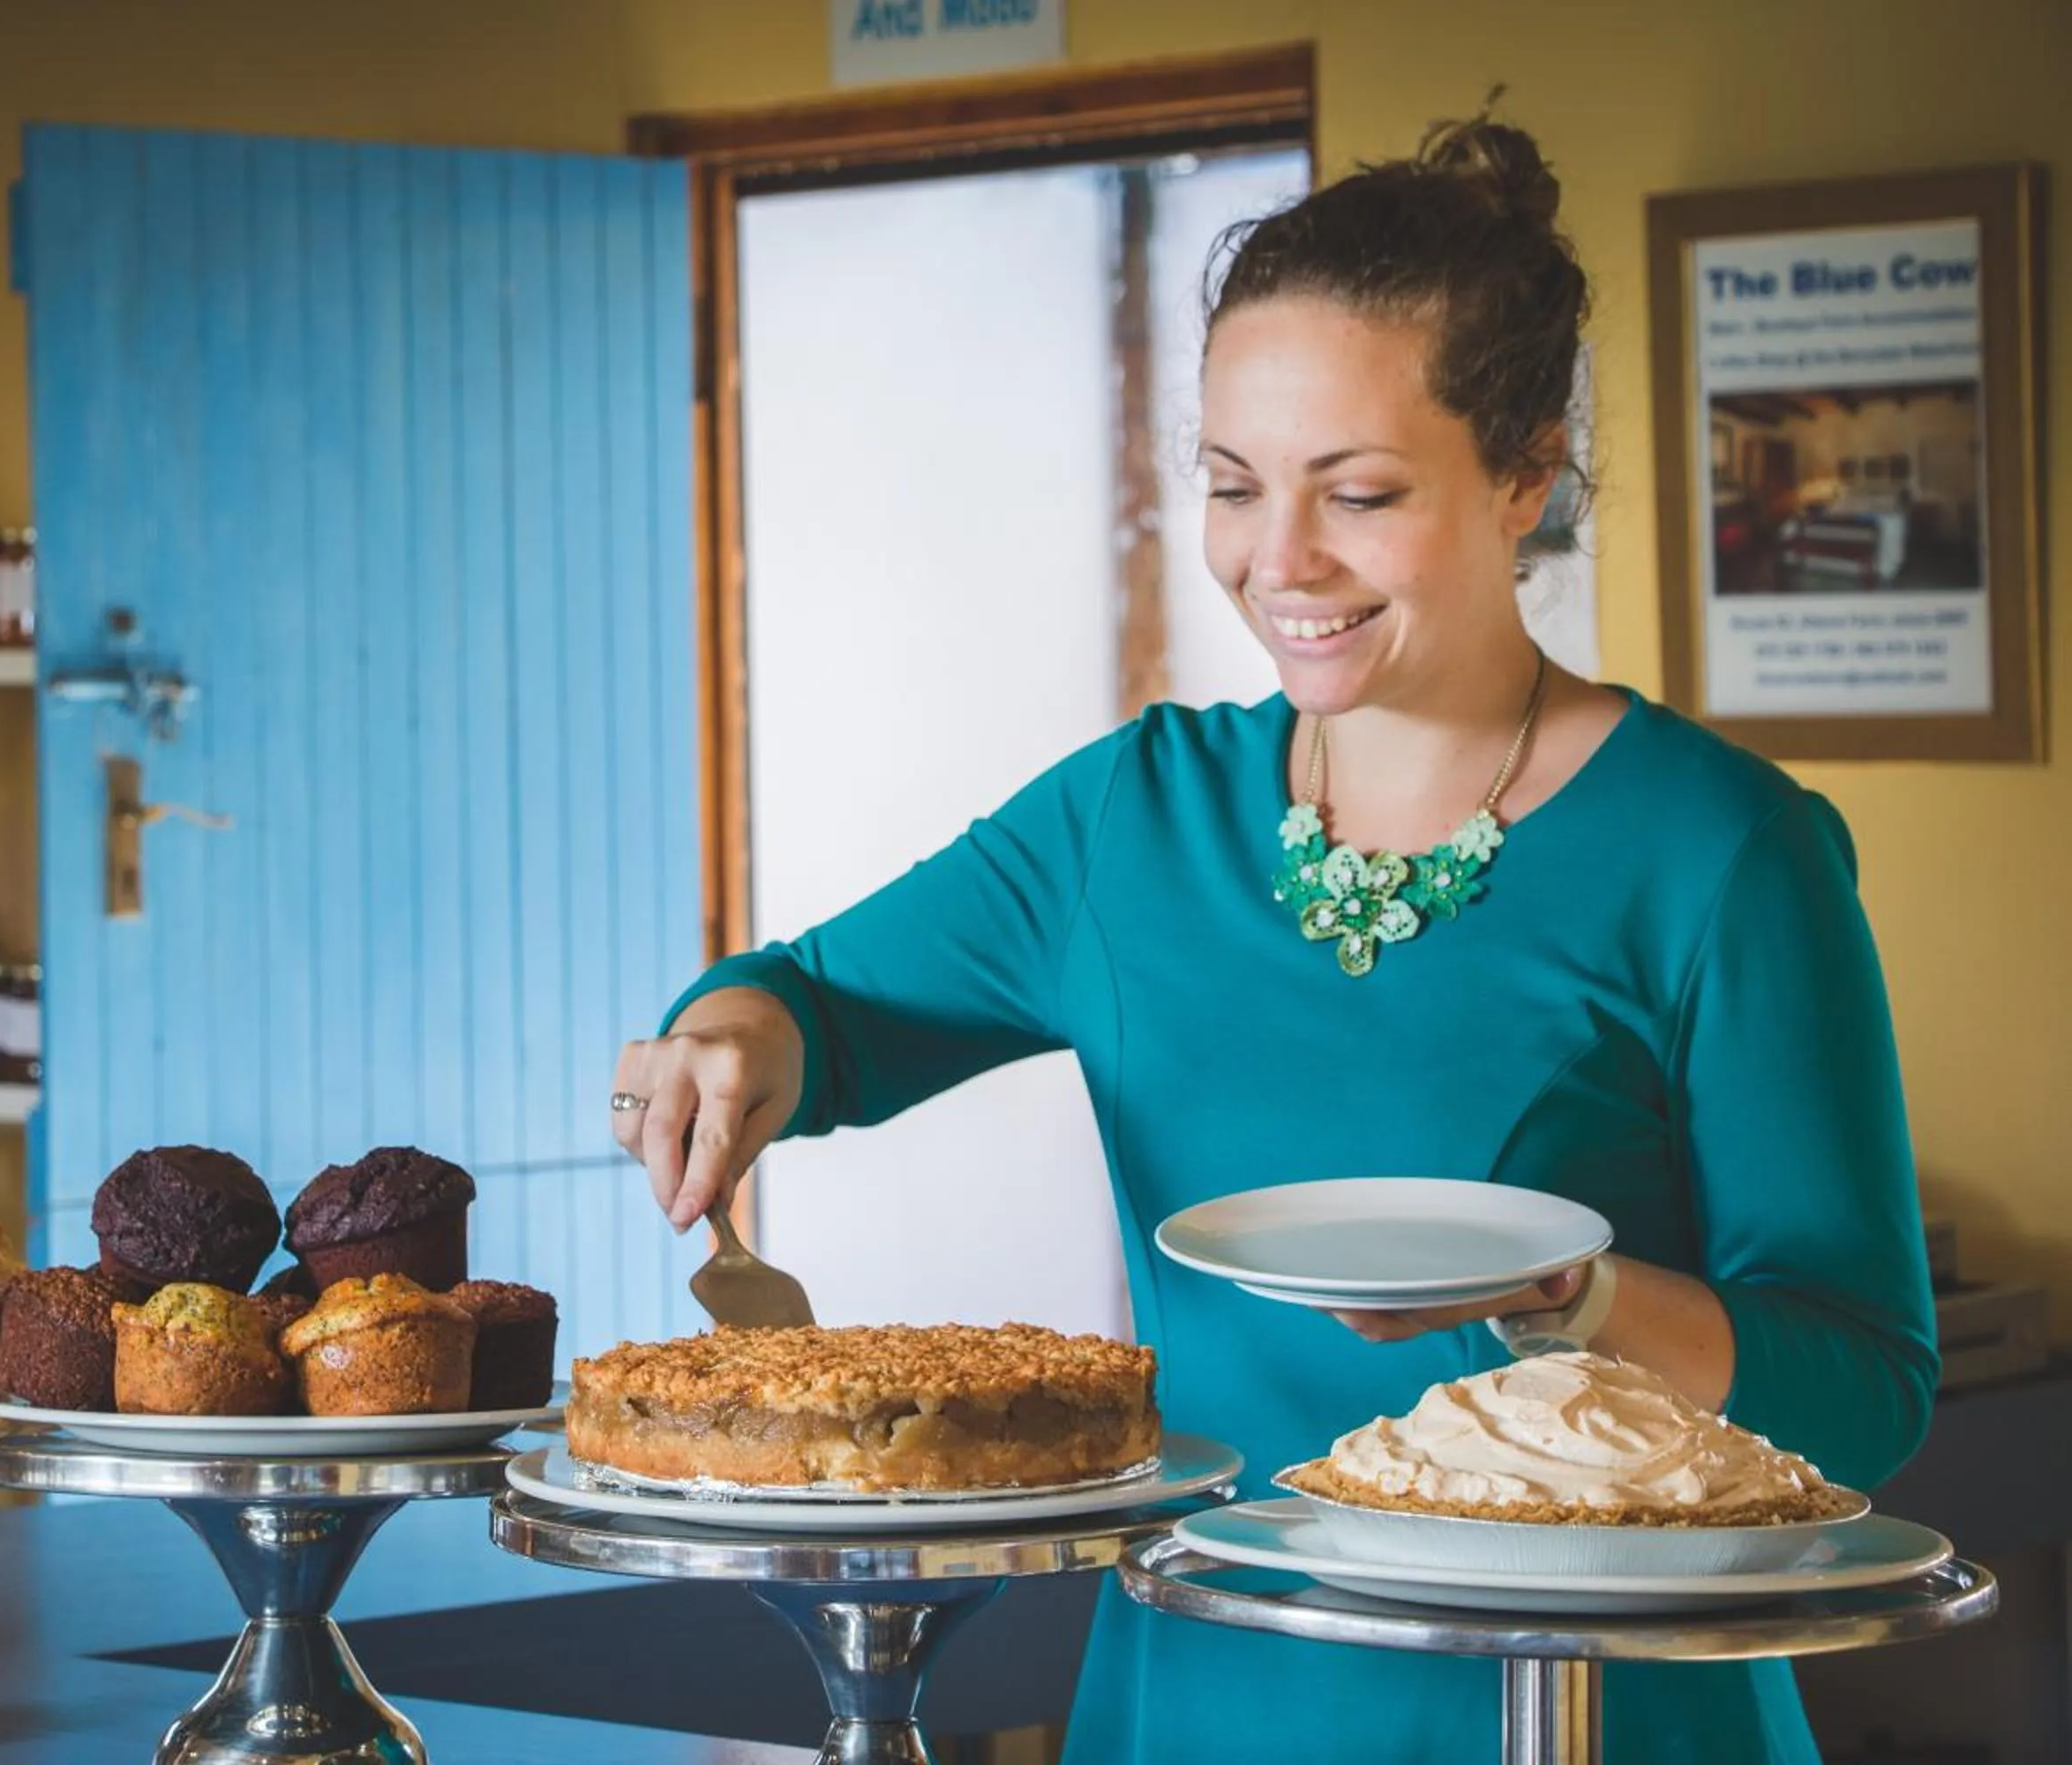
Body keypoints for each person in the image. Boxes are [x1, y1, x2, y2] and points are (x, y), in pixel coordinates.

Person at [606, 112, 1936, 1764]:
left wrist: (1579, 1302)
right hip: (1206, 1693)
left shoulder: (1726, 853)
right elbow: (811, 1005)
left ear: (1526, 468)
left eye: (1359, 493)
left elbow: (1866, 1389)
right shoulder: (1133, 823)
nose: (1278, 562)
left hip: (1600, 1708)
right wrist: (730, 1041)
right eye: (1235, 488)